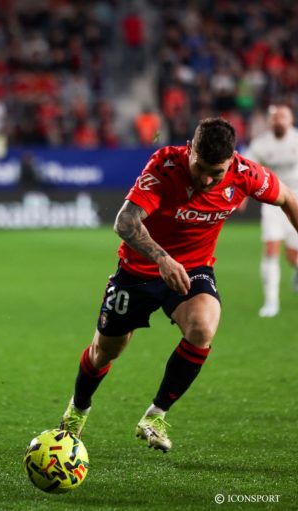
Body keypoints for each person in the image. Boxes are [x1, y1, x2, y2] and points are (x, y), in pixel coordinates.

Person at [58, 118, 298, 452]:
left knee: (203, 327)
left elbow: (288, 197)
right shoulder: (165, 166)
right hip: (138, 271)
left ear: (231, 161)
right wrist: (162, 259)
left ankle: (155, 416)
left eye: (216, 173)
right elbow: (124, 221)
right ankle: (78, 409)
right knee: (105, 351)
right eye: (200, 168)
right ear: (189, 150)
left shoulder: (246, 174)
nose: (206, 180)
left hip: (193, 270)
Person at [244, 105, 298, 317]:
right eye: (275, 117)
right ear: (270, 122)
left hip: (296, 200)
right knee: (271, 248)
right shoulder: (261, 144)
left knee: (293, 256)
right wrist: (242, 196)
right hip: (273, 201)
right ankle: (271, 302)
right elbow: (246, 170)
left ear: (291, 120)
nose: (278, 120)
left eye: (282, 116)